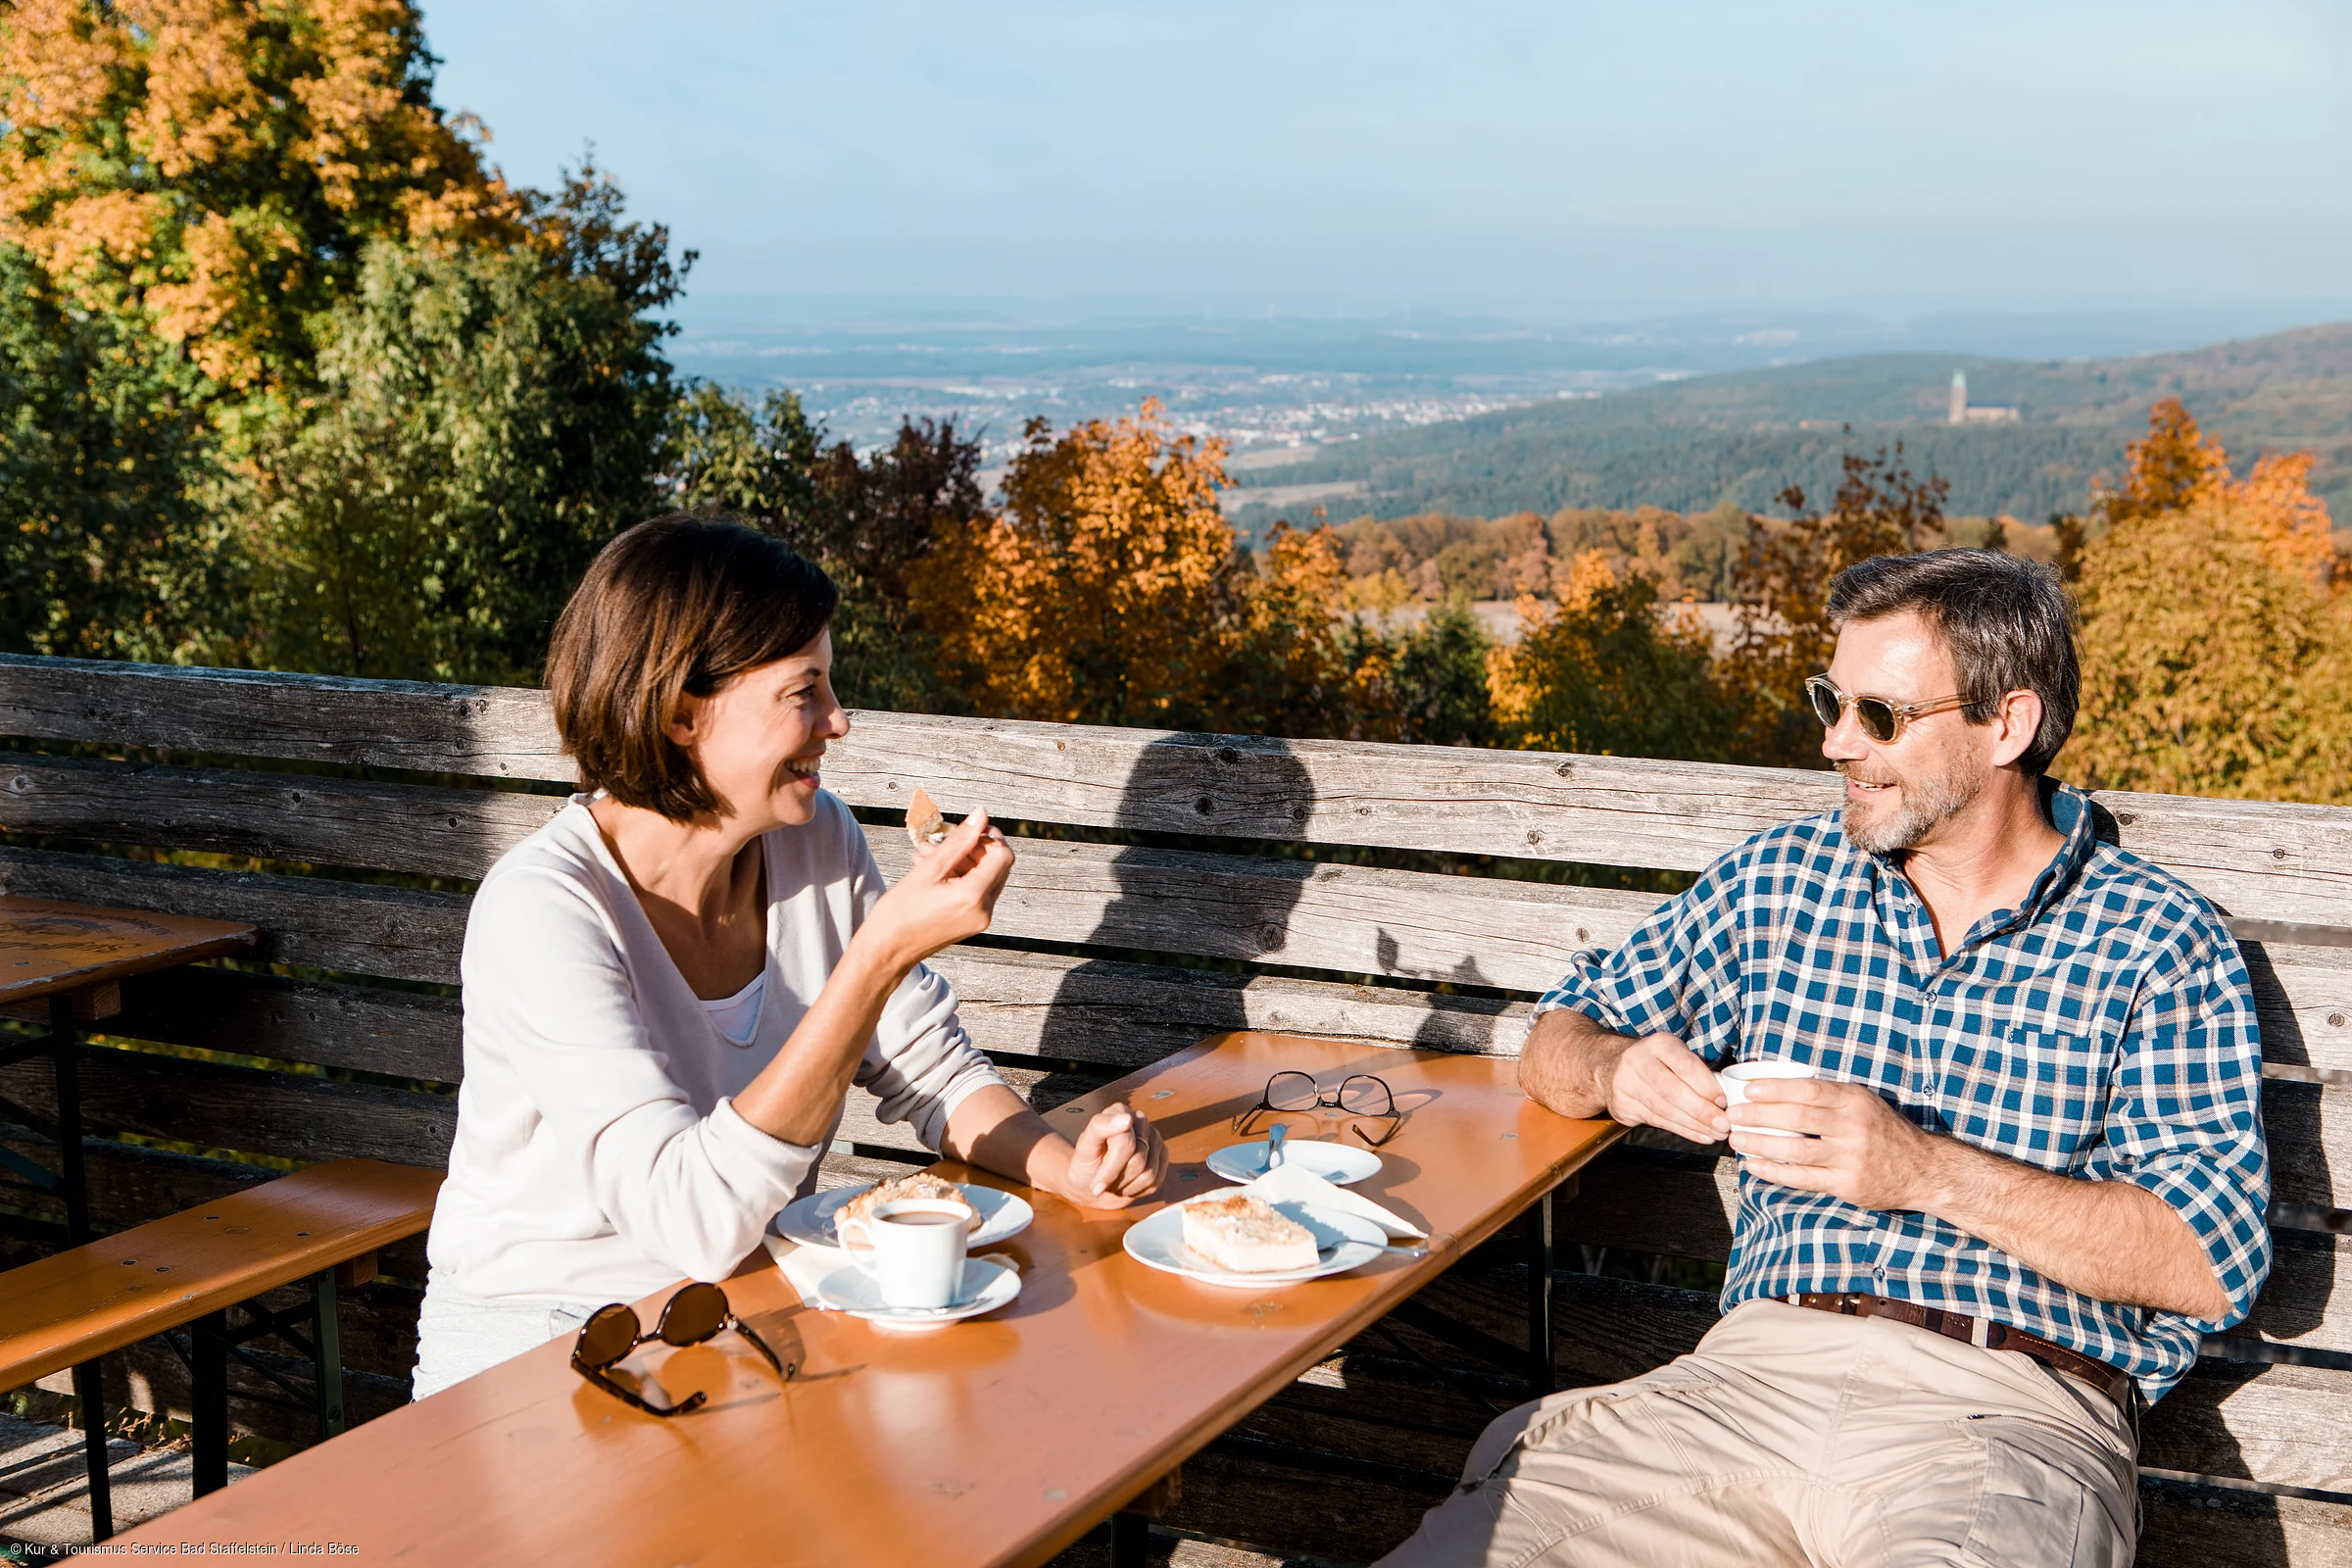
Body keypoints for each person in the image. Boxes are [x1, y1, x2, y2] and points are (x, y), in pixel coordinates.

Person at [1381, 549, 2269, 1567]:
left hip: (2002, 1417)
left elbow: (2210, 1259)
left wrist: (1925, 1171)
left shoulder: (2155, 937)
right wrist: (1615, 1069)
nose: (1834, 741)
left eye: (1879, 715)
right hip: (1741, 1391)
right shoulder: (1783, 881)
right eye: (1829, 700)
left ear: (2007, 724)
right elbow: (1557, 1036)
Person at [412, 514, 1168, 1398]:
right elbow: (691, 1217)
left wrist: (1065, 1167)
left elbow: (927, 1066)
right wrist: (879, 953)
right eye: (804, 690)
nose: (838, 722)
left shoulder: (813, 837)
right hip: (544, 1351)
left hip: (738, 1315)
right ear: (681, 712)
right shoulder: (545, 910)